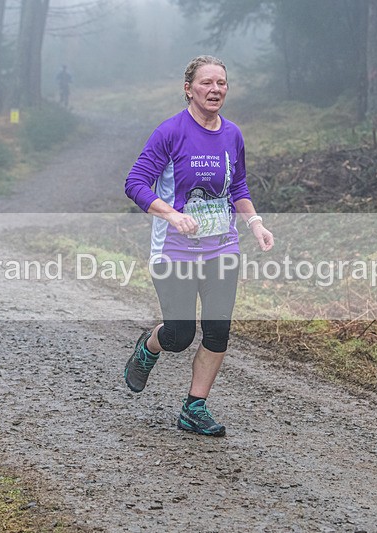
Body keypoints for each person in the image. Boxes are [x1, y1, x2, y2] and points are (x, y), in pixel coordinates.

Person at [123, 55, 274, 437]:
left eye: (221, 83)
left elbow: (237, 185)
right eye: (207, 82)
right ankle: (149, 347)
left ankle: (194, 408)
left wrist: (255, 223)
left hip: (222, 248)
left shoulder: (232, 134)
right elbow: (136, 183)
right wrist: (172, 215)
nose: (215, 89)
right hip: (174, 250)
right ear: (188, 89)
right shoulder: (170, 132)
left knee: (217, 330)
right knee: (180, 336)